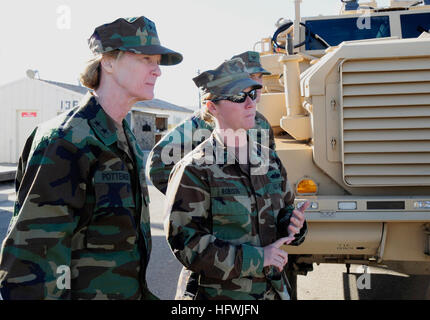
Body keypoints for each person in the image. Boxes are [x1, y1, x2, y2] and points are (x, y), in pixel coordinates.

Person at [0, 16, 182, 300]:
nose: (157, 71)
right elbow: (31, 265)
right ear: (108, 62)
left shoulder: (124, 136)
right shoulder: (66, 140)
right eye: (146, 59)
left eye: (157, 62)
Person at [165, 58, 308, 300]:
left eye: (252, 93)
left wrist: (293, 225)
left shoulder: (269, 160)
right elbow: (186, 245)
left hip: (272, 292)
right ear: (212, 107)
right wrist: (259, 258)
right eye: (238, 97)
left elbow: (284, 212)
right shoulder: (195, 168)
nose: (251, 103)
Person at [146, 51, 274, 196]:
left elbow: (268, 170)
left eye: (260, 76)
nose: (256, 83)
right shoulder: (203, 122)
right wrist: (194, 199)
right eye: (251, 77)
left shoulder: (261, 123)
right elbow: (157, 165)